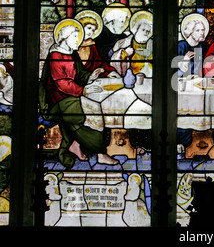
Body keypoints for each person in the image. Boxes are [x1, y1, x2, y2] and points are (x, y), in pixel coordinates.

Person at [39, 19, 119, 168]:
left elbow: (80, 75)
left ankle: (74, 145)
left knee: (94, 107)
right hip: (58, 100)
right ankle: (101, 154)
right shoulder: (55, 56)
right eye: (75, 37)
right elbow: (62, 84)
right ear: (65, 38)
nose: (79, 39)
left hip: (71, 95)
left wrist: (91, 76)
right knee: (88, 113)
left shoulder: (72, 54)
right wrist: (83, 90)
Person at [75, 10, 121, 78]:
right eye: (89, 28)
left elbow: (100, 64)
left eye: (93, 30)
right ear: (81, 26)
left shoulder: (91, 45)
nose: (91, 32)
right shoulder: (72, 46)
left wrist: (109, 72)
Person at [110, 10, 153, 77]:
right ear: (137, 29)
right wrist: (125, 53)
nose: (145, 33)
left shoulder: (151, 43)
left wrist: (149, 55)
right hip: (129, 74)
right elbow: (114, 58)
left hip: (147, 74)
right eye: (143, 30)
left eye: (148, 31)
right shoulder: (127, 40)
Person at [177, 13, 208, 78]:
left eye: (203, 30)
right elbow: (173, 70)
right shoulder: (181, 46)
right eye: (198, 30)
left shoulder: (202, 47)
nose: (202, 33)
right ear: (190, 32)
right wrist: (184, 61)